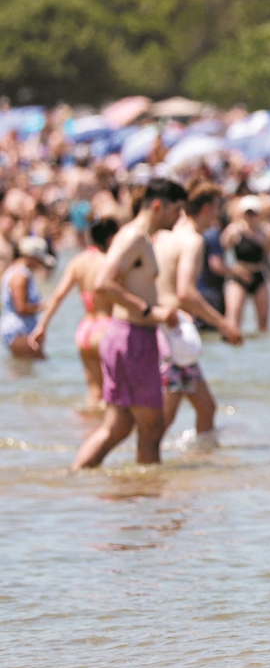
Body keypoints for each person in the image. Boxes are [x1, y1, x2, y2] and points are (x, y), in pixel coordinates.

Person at [72, 178, 187, 469]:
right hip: (132, 338)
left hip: (128, 336)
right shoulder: (134, 237)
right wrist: (149, 311)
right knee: (152, 428)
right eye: (177, 210)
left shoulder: (138, 238)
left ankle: (76, 480)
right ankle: (151, 495)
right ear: (158, 206)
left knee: (119, 426)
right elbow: (103, 282)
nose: (179, 217)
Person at [153, 185, 245, 444]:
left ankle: (202, 460)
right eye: (217, 208)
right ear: (206, 209)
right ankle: (147, 459)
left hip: (164, 327)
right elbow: (185, 292)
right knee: (166, 415)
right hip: (172, 333)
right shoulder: (193, 241)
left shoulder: (166, 235)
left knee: (206, 408)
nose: (218, 215)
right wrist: (224, 324)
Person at [28, 217, 121, 410]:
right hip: (106, 329)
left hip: (85, 331)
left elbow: (58, 296)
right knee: (114, 396)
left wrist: (41, 326)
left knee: (94, 394)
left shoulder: (78, 262)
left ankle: (86, 427)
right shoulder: (110, 263)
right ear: (112, 238)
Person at [222, 196, 270, 334]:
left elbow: (267, 259)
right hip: (239, 276)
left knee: (264, 323)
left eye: (253, 213)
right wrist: (230, 271)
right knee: (233, 321)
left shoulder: (265, 233)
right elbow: (220, 253)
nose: (250, 217)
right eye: (247, 213)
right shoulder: (234, 231)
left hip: (258, 275)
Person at [3, 236, 53, 359]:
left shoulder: (15, 270)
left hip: (18, 330)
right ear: (31, 256)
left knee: (25, 367)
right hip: (19, 330)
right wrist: (45, 306)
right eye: (39, 260)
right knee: (40, 360)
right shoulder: (20, 275)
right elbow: (21, 308)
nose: (40, 264)